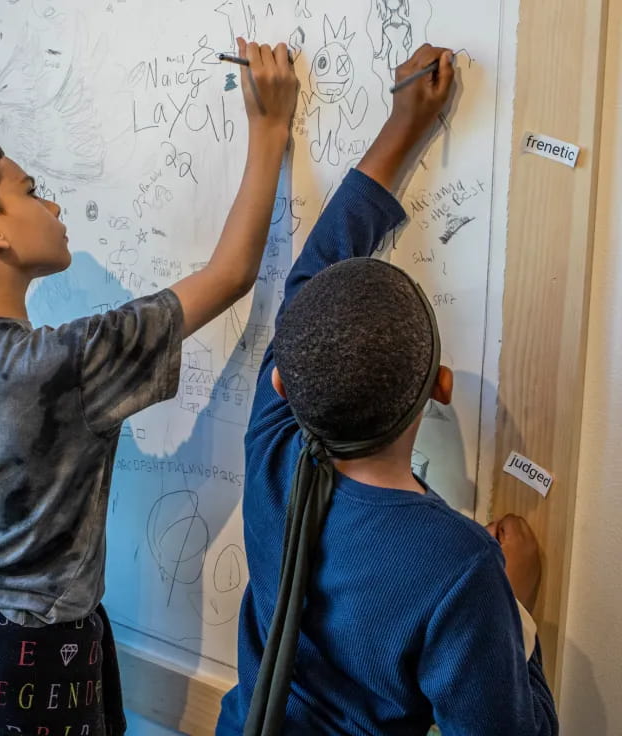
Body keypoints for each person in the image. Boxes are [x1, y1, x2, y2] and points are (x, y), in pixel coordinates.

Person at [0, 39, 298, 736]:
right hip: (31, 674)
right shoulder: (68, 363)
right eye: (31, 191)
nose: (53, 202)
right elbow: (229, 275)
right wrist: (271, 128)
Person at [216, 44, 559, 735]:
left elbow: (315, 272)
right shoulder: (460, 569)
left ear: (281, 381)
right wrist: (513, 614)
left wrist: (400, 126)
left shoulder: (272, 446)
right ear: (440, 387)